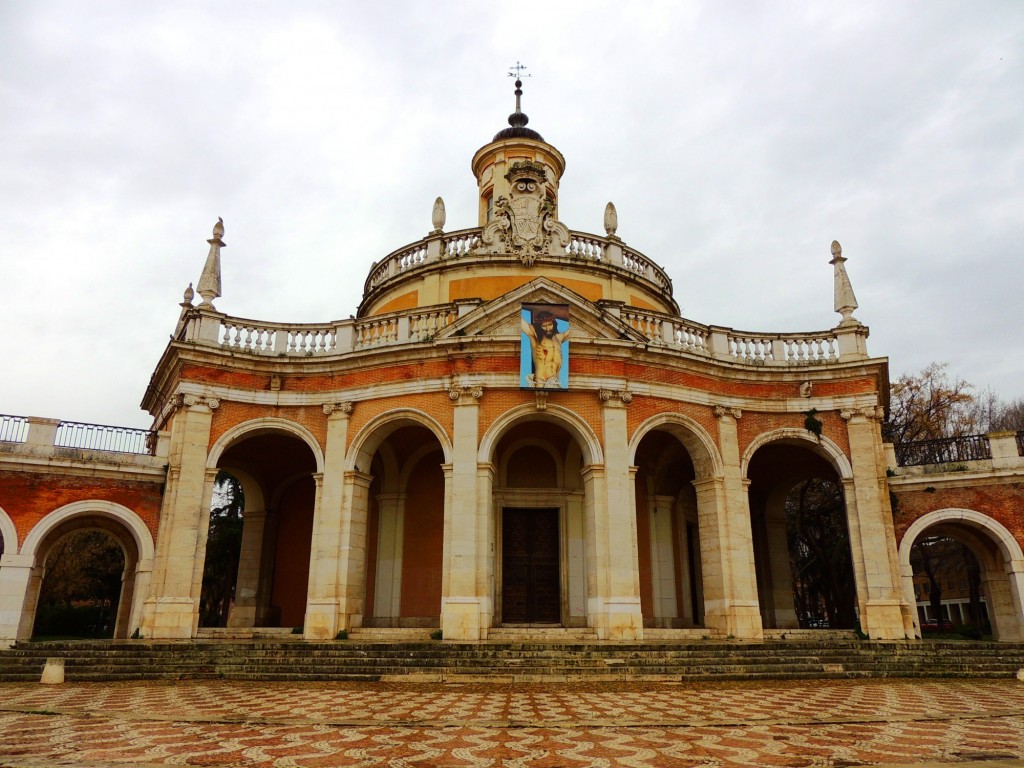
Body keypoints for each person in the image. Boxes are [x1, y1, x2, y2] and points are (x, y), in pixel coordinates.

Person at [521, 310, 569, 387]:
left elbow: (573, 329)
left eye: (550, 324)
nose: (547, 328)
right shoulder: (535, 336)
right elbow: (520, 322)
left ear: (554, 323)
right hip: (540, 381)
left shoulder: (558, 338)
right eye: (544, 326)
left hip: (554, 382)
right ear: (539, 326)